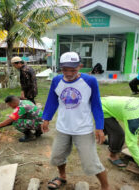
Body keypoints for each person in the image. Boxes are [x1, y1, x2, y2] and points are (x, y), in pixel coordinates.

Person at [41, 52, 110, 190]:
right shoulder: (56, 81)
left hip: (83, 129)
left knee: (91, 162)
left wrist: (100, 128)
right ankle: (62, 176)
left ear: (80, 66)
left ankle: (105, 186)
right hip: (63, 127)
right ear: (60, 67)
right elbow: (52, 101)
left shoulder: (90, 81)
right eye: (65, 69)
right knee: (57, 156)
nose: (68, 73)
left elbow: (96, 105)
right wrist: (46, 118)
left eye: (73, 69)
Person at [101, 96, 139, 176]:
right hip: (103, 107)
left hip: (109, 101)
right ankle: (112, 155)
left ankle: (101, 136)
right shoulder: (134, 119)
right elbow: (131, 144)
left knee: (110, 127)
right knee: (118, 134)